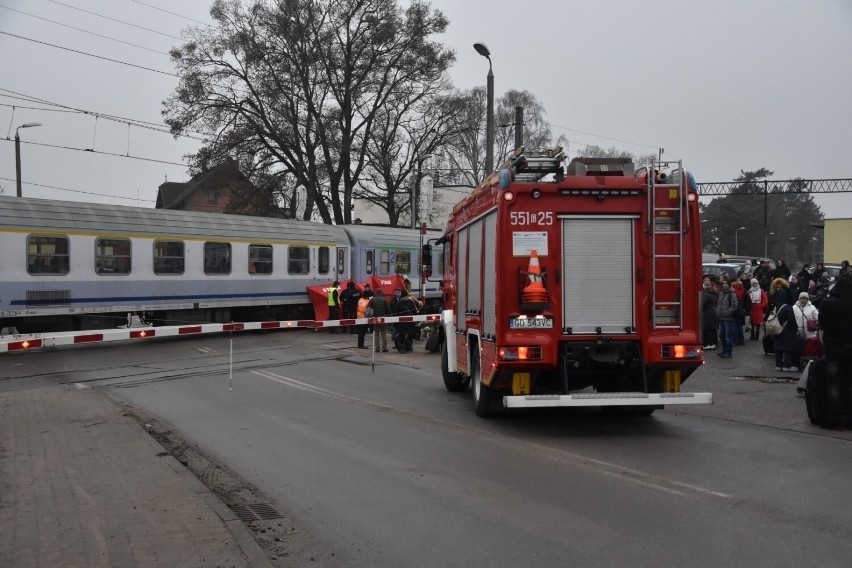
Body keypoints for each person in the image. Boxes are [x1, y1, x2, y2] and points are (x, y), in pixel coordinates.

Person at [817, 274, 852, 429]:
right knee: (849, 382)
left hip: (833, 348)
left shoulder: (828, 302)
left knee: (833, 383)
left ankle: (836, 417)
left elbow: (822, 323)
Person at [773, 301, 800, 372]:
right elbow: (792, 320)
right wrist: (796, 327)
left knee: (778, 349)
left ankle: (778, 365)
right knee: (788, 349)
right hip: (787, 330)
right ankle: (787, 365)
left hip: (777, 329)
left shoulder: (776, 307)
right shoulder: (788, 308)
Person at [715, 280, 739, 359]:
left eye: (726, 283)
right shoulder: (721, 293)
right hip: (721, 317)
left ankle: (729, 352)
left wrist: (727, 312)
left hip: (729, 318)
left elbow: (735, 305)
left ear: (729, 285)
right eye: (723, 283)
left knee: (728, 336)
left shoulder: (731, 294)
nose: (724, 285)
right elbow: (719, 303)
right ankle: (724, 351)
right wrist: (718, 312)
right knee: (722, 335)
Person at [392, 289, 419, 353]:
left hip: (406, 323)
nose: (407, 297)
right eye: (407, 296)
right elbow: (414, 311)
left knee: (407, 335)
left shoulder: (402, 303)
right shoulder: (406, 303)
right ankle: (404, 347)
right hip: (404, 323)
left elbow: (396, 313)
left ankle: (406, 347)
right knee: (403, 335)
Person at [367, 288, 391, 352]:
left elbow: (368, 309)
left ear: (376, 293)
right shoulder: (384, 300)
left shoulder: (372, 300)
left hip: (375, 319)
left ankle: (377, 348)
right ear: (381, 293)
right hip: (382, 319)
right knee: (383, 333)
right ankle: (384, 348)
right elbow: (388, 310)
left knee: (376, 334)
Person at [701, 280, 718, 349]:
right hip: (713, 313)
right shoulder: (713, 294)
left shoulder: (706, 295)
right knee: (713, 330)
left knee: (707, 330)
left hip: (707, 314)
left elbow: (702, 305)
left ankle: (707, 344)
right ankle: (713, 343)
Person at [731, 279, 749, 345]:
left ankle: (735, 340)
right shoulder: (743, 290)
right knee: (740, 326)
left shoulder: (734, 291)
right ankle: (741, 340)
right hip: (741, 309)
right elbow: (747, 300)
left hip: (736, 309)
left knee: (735, 326)